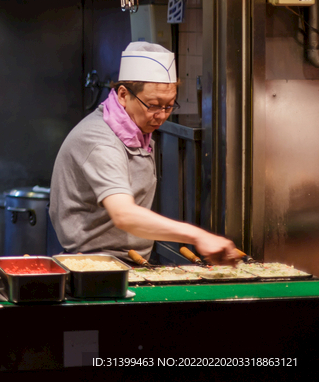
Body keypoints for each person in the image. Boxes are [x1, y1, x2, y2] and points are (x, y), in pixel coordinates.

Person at [49, 42, 239, 265]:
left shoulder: (136, 131)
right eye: (153, 105)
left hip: (128, 260)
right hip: (95, 265)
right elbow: (124, 215)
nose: (161, 116)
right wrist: (198, 235)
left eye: (169, 106)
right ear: (123, 94)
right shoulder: (101, 141)